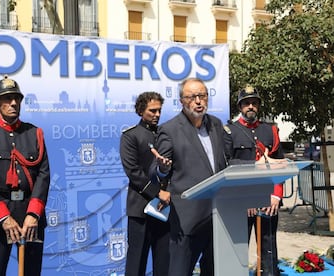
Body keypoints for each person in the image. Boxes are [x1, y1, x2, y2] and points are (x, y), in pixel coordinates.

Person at [0, 75, 50, 276]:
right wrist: (3, 218)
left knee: (32, 272)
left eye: (17, 98)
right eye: (7, 98)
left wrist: (33, 214)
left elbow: (43, 174)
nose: (14, 103)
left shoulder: (34, 133)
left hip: (30, 216)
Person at [150, 78, 227, 276]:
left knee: (214, 270)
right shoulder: (170, 130)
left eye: (202, 95)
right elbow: (158, 171)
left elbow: (225, 163)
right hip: (188, 217)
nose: (198, 101)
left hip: (218, 215)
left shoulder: (216, 125)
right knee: (180, 271)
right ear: (182, 101)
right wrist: (162, 168)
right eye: (192, 97)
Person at [223, 85, 285, 276]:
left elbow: (279, 165)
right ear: (240, 106)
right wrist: (244, 198)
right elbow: (226, 166)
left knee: (268, 249)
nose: (251, 106)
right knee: (238, 249)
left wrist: (276, 195)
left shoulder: (270, 130)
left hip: (267, 200)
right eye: (246, 103)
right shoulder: (229, 131)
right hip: (241, 202)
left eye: (254, 103)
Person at [120, 91, 170, 276]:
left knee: (164, 262)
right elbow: (133, 172)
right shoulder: (130, 136)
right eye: (152, 111)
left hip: (164, 209)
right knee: (136, 263)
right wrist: (158, 193)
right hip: (140, 209)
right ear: (141, 110)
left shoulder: (165, 135)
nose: (157, 114)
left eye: (159, 111)